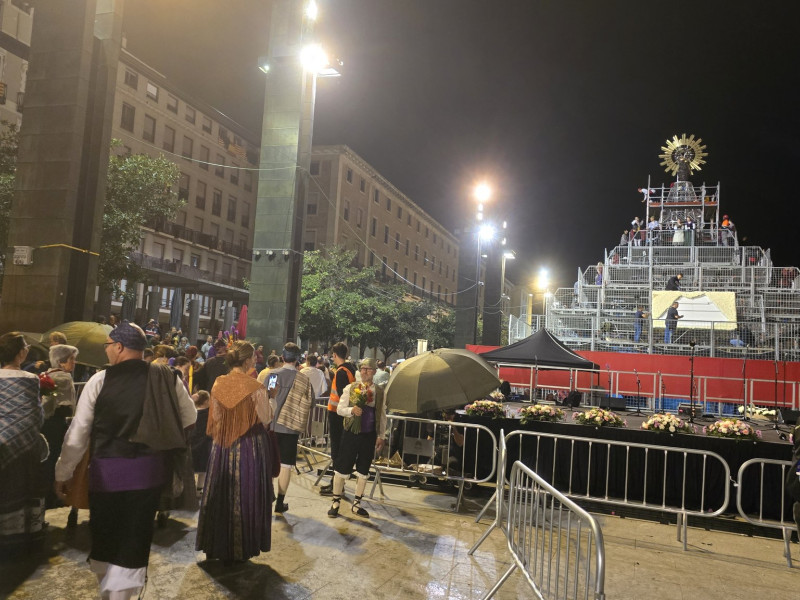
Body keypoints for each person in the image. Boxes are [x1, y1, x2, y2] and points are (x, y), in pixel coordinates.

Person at [54, 321, 196, 600]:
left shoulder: (99, 380)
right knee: (135, 537)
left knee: (105, 534)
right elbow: (189, 417)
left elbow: (79, 432)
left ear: (118, 347)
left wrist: (63, 472)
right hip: (149, 474)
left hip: (107, 473)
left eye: (108, 346)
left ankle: (109, 591)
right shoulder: (167, 377)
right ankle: (122, 593)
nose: (107, 351)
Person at [195, 341, 275, 563]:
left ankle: (215, 543)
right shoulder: (255, 387)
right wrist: (272, 398)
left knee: (219, 493)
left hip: (222, 446)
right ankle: (241, 547)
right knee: (245, 494)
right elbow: (266, 419)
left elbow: (217, 417)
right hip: (250, 447)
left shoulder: (219, 383)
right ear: (248, 360)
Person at [0, 332, 45, 557]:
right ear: (21, 353)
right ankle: (20, 539)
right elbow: (36, 414)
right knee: (22, 489)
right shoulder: (30, 379)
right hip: (23, 443)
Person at [327, 358, 387, 519]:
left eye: (368, 369)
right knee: (341, 466)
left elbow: (381, 414)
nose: (365, 372)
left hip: (369, 435)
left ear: (374, 371)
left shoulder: (380, 392)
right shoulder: (351, 387)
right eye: (362, 369)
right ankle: (335, 502)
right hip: (351, 433)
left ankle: (357, 503)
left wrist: (381, 435)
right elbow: (339, 409)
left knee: (363, 469)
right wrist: (351, 410)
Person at [271, 342, 313, 513]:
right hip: (291, 429)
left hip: (272, 426)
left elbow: (267, 397)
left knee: (268, 463)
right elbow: (311, 403)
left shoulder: (273, 375)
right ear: (297, 360)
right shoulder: (304, 379)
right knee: (286, 465)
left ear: (282, 357)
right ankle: (280, 502)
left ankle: (266, 497)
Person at [41, 345, 79, 509]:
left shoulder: (46, 374)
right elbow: (54, 402)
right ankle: (53, 494)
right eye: (71, 359)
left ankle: (47, 495)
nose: (74, 363)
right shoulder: (63, 378)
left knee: (48, 459)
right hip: (57, 424)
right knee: (56, 457)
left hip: (47, 424)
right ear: (61, 362)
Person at [319, 342, 356, 496]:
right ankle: (337, 485)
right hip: (344, 415)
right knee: (341, 450)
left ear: (334, 355)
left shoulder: (341, 372)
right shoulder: (351, 368)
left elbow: (342, 397)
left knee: (337, 451)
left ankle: (337, 487)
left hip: (337, 415)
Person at [189, 391, 212, 492]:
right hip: (205, 444)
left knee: (192, 467)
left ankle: (191, 487)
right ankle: (200, 487)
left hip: (193, 443)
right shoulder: (209, 415)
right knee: (203, 468)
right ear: (206, 401)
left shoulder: (192, 413)